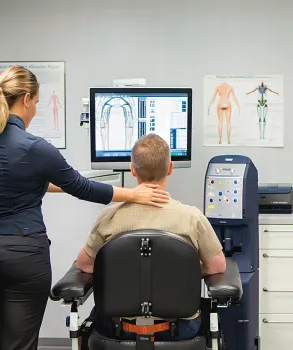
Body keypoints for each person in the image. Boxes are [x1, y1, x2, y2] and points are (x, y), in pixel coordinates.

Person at [0, 66, 170, 350]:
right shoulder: (36, 148)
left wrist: (128, 193)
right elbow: (81, 187)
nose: (35, 110)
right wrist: (133, 194)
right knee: (19, 345)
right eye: (37, 103)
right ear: (27, 99)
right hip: (22, 256)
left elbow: (14, 181)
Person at [76, 134, 226, 341]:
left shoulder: (109, 216)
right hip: (180, 329)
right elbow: (217, 266)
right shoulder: (192, 218)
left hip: (118, 327)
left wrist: (121, 274)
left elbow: (84, 264)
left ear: (132, 170)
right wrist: (180, 273)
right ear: (170, 168)